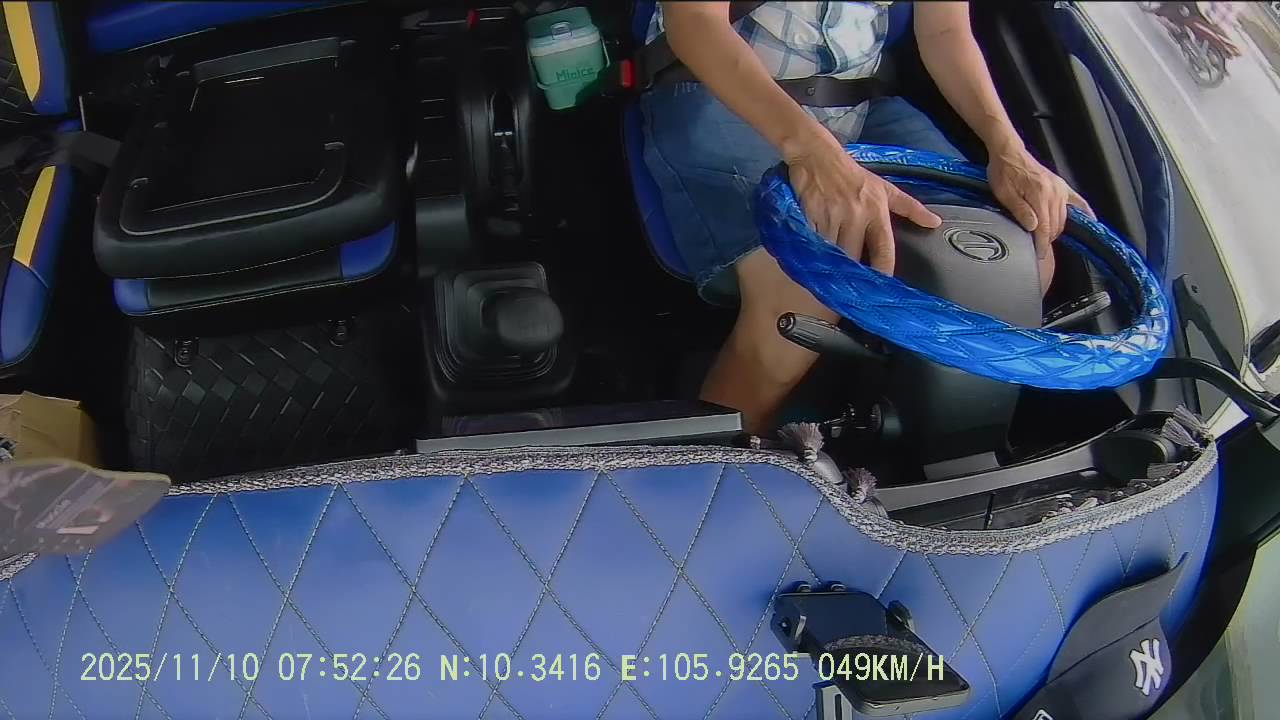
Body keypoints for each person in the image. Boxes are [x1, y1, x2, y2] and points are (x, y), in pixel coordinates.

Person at [640, 1, 1093, 433]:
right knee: (803, 285)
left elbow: (945, 31)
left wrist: (1010, 151)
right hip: (719, 92)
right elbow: (695, 21)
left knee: (1016, 256)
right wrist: (813, 152)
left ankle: (920, 449)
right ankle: (722, 471)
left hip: (858, 105)